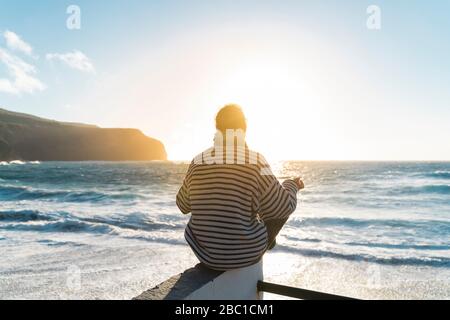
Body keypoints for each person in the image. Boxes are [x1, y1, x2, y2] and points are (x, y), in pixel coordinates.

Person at [176, 104, 304, 271]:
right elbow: (283, 207)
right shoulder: (256, 160)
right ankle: (266, 241)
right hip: (245, 255)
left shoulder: (198, 161)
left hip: (205, 254)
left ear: (217, 128)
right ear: (244, 129)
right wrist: (291, 185)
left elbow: (183, 205)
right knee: (278, 205)